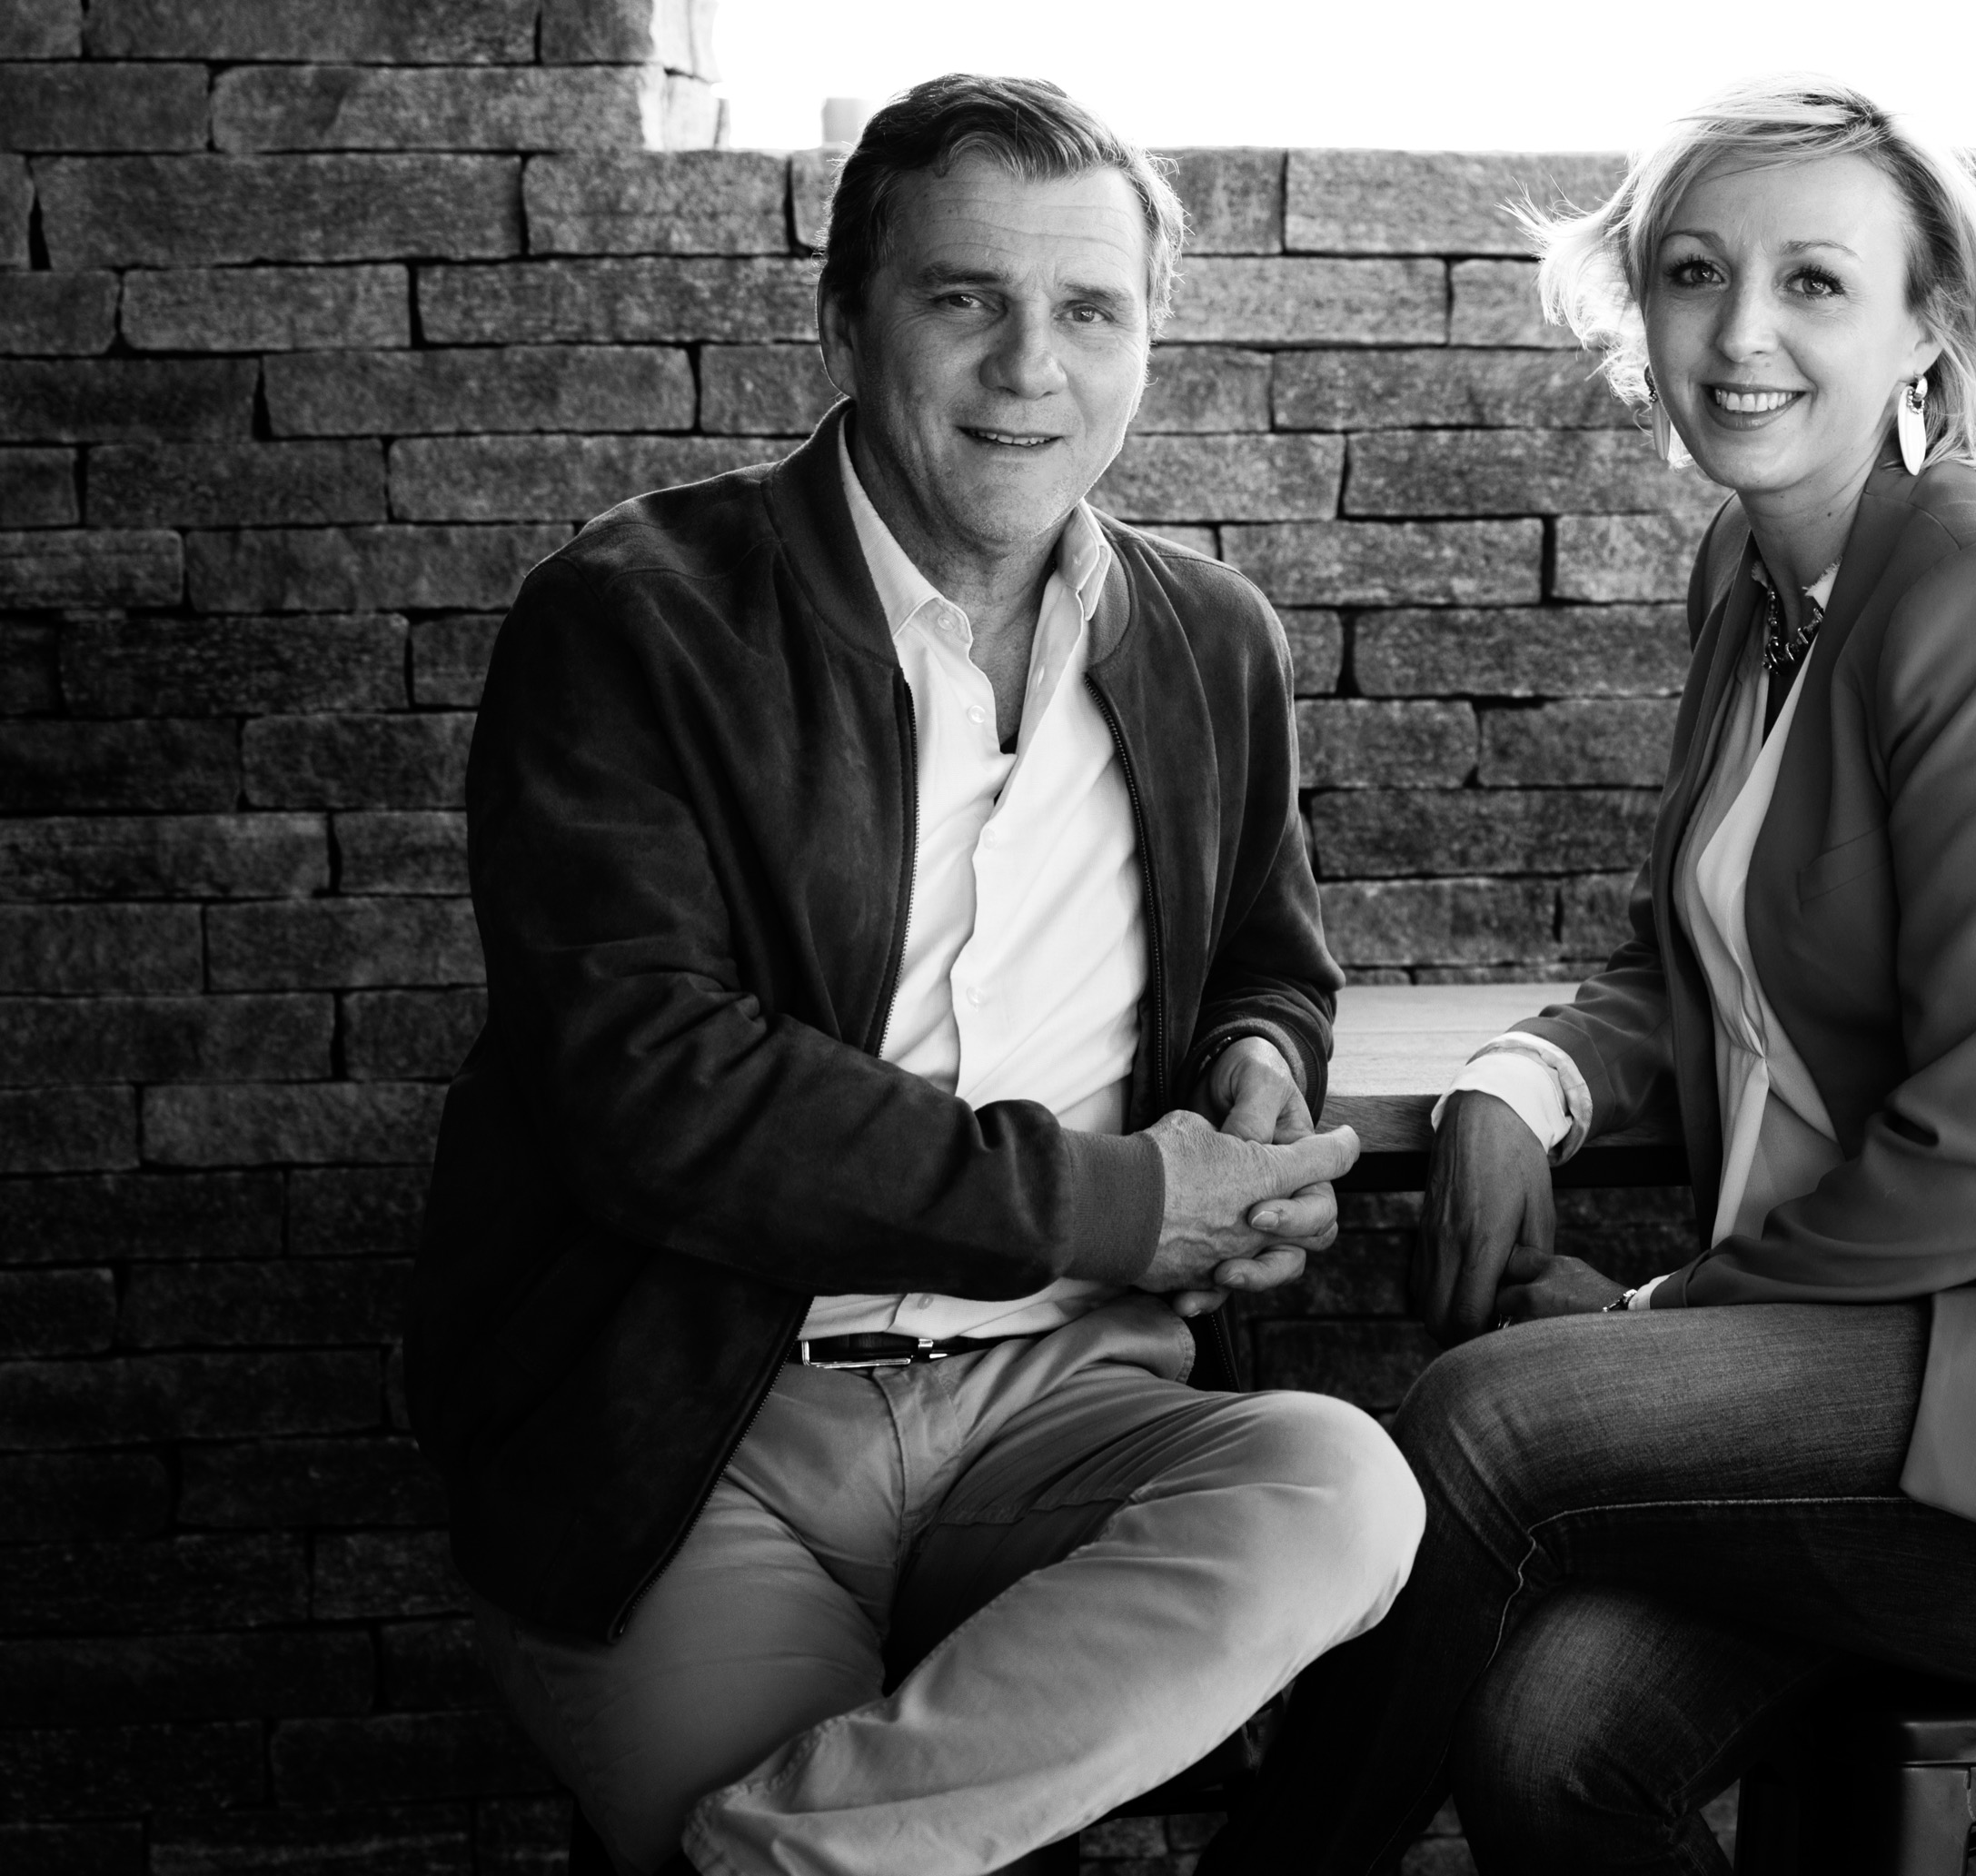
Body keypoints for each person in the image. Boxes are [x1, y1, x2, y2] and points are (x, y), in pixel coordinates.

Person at [1200, 76, 1976, 1876]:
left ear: (1924, 323)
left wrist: (1655, 1326)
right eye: (1695, 273)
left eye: (1814, 281)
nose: (1743, 334)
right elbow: (1718, 953)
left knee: (1489, 1422)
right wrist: (1526, 1080)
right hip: (1933, 1392)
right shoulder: (1758, 574)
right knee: (1548, 1745)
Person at [403, 74, 1424, 1876]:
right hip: (698, 1426)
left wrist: (1259, 1072)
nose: (1031, 365)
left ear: (1147, 342)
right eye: (967, 297)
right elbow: (655, 1085)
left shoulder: (1213, 641)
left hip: (1066, 1402)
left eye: (1090, 309)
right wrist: (1121, 1200)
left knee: (1343, 1487)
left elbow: (1268, 962)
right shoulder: (633, 616)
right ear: (844, 320)